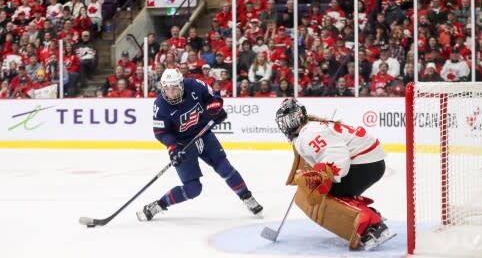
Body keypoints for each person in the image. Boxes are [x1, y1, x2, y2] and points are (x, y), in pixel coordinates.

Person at [137, 69, 263, 221]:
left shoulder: (194, 85)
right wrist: (173, 149)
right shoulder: (160, 105)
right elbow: (161, 132)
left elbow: (213, 98)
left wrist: (214, 110)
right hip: (182, 144)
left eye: (175, 87)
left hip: (203, 134)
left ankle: (246, 197)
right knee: (193, 189)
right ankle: (159, 204)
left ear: (181, 85)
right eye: (167, 88)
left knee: (224, 167)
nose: (171, 92)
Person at [274, 98, 394, 250]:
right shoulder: (308, 131)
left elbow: (336, 155)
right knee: (325, 188)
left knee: (328, 192)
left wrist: (323, 180)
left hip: (366, 164)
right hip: (369, 162)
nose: (284, 126)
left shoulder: (308, 134)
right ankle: (362, 210)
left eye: (285, 122)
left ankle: (372, 224)